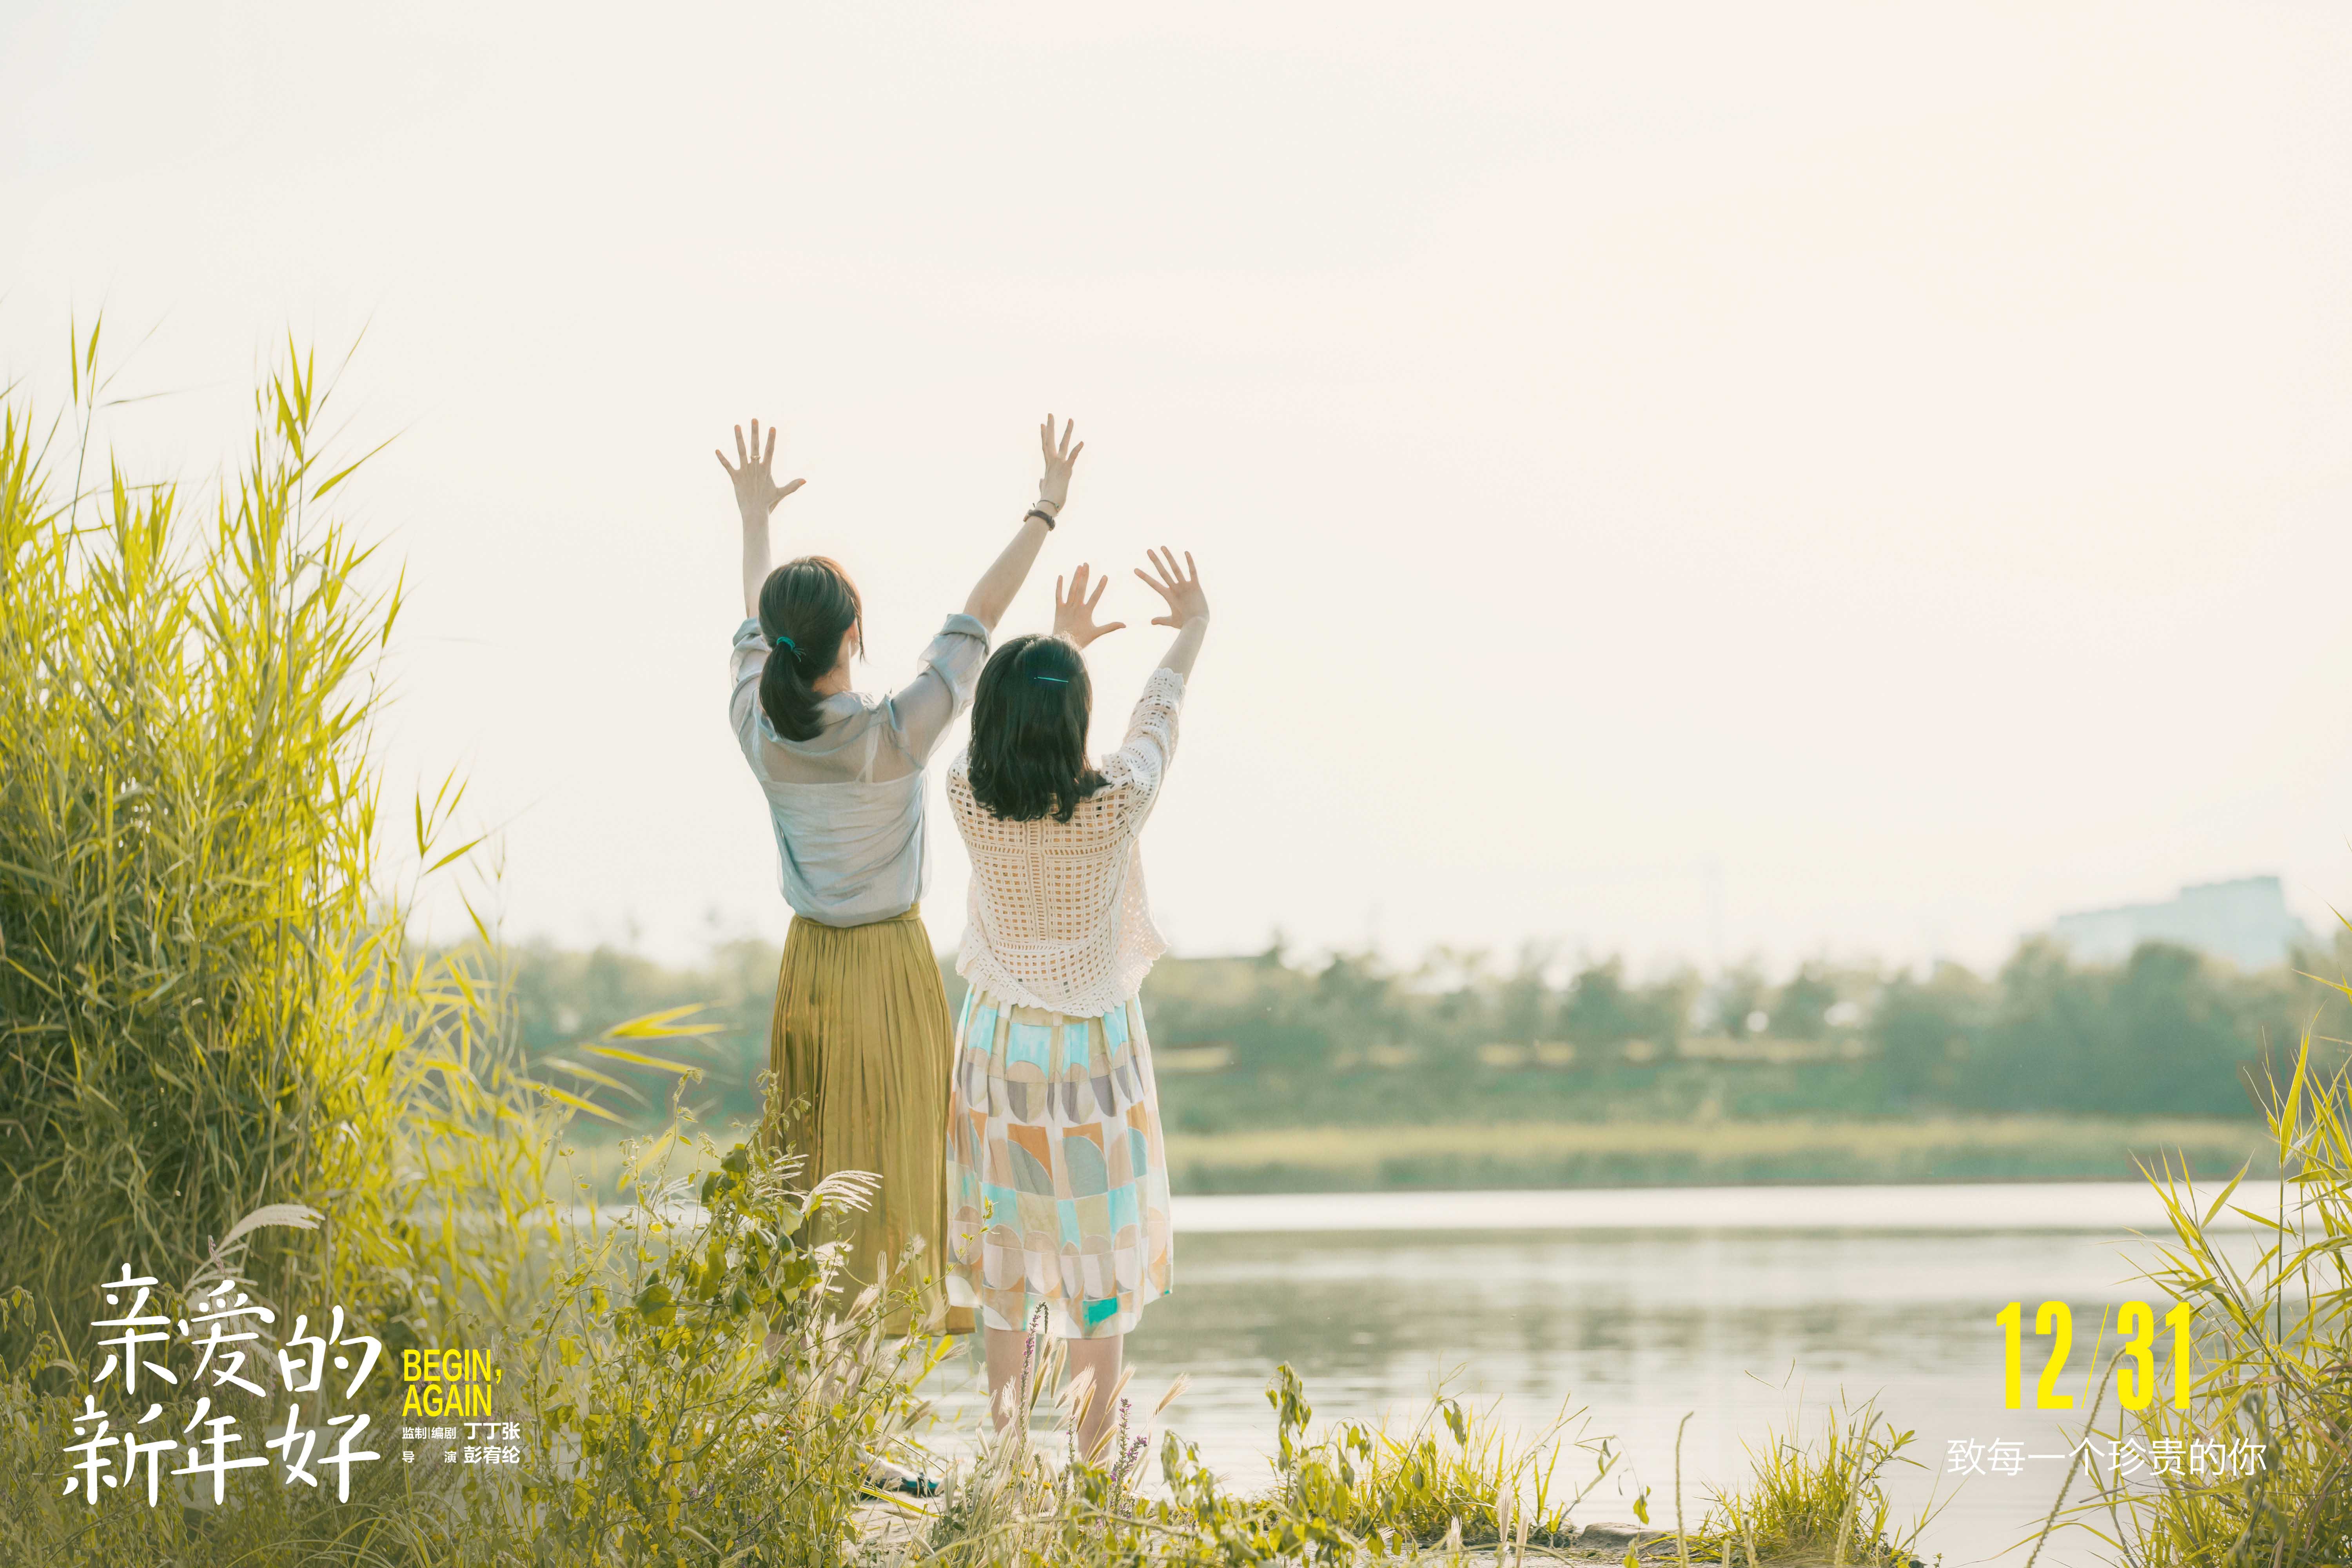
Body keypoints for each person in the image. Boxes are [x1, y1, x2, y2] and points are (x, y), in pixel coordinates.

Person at [720, 413, 1085, 1335]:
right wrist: (1045, 509)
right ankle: (880, 1394)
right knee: (899, 1163)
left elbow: (754, 626)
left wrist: (754, 519)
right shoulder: (898, 732)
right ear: (854, 636)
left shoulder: (757, 731)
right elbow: (981, 616)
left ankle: (819, 1396)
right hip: (890, 966)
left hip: (808, 969)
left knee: (813, 1173)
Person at [941, 546, 1209, 1456]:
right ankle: (1097, 1465)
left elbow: (1028, 718)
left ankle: (1009, 1454)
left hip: (997, 1048)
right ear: (1075, 719)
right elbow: (1154, 720)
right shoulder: (1117, 802)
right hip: (1092, 1054)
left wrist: (1058, 642)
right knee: (1099, 1258)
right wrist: (1193, 627)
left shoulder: (964, 797)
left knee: (1007, 1260)